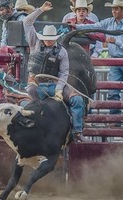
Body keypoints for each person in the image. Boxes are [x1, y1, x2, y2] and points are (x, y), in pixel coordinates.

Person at [23, 1, 88, 142]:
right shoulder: (34, 42)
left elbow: (64, 73)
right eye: (46, 39)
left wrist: (59, 89)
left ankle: (77, 131)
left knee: (77, 100)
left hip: (55, 84)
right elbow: (27, 22)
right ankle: (26, 131)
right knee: (24, 102)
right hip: (36, 84)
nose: (48, 41)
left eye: (50, 39)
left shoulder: (61, 51)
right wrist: (41, 10)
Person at [72, 0, 123, 127]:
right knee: (112, 92)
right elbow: (95, 26)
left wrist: (115, 41)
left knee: (113, 90)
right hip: (115, 61)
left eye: (116, 9)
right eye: (113, 9)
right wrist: (76, 27)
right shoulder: (109, 22)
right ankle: (115, 121)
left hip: (117, 60)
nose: (113, 11)